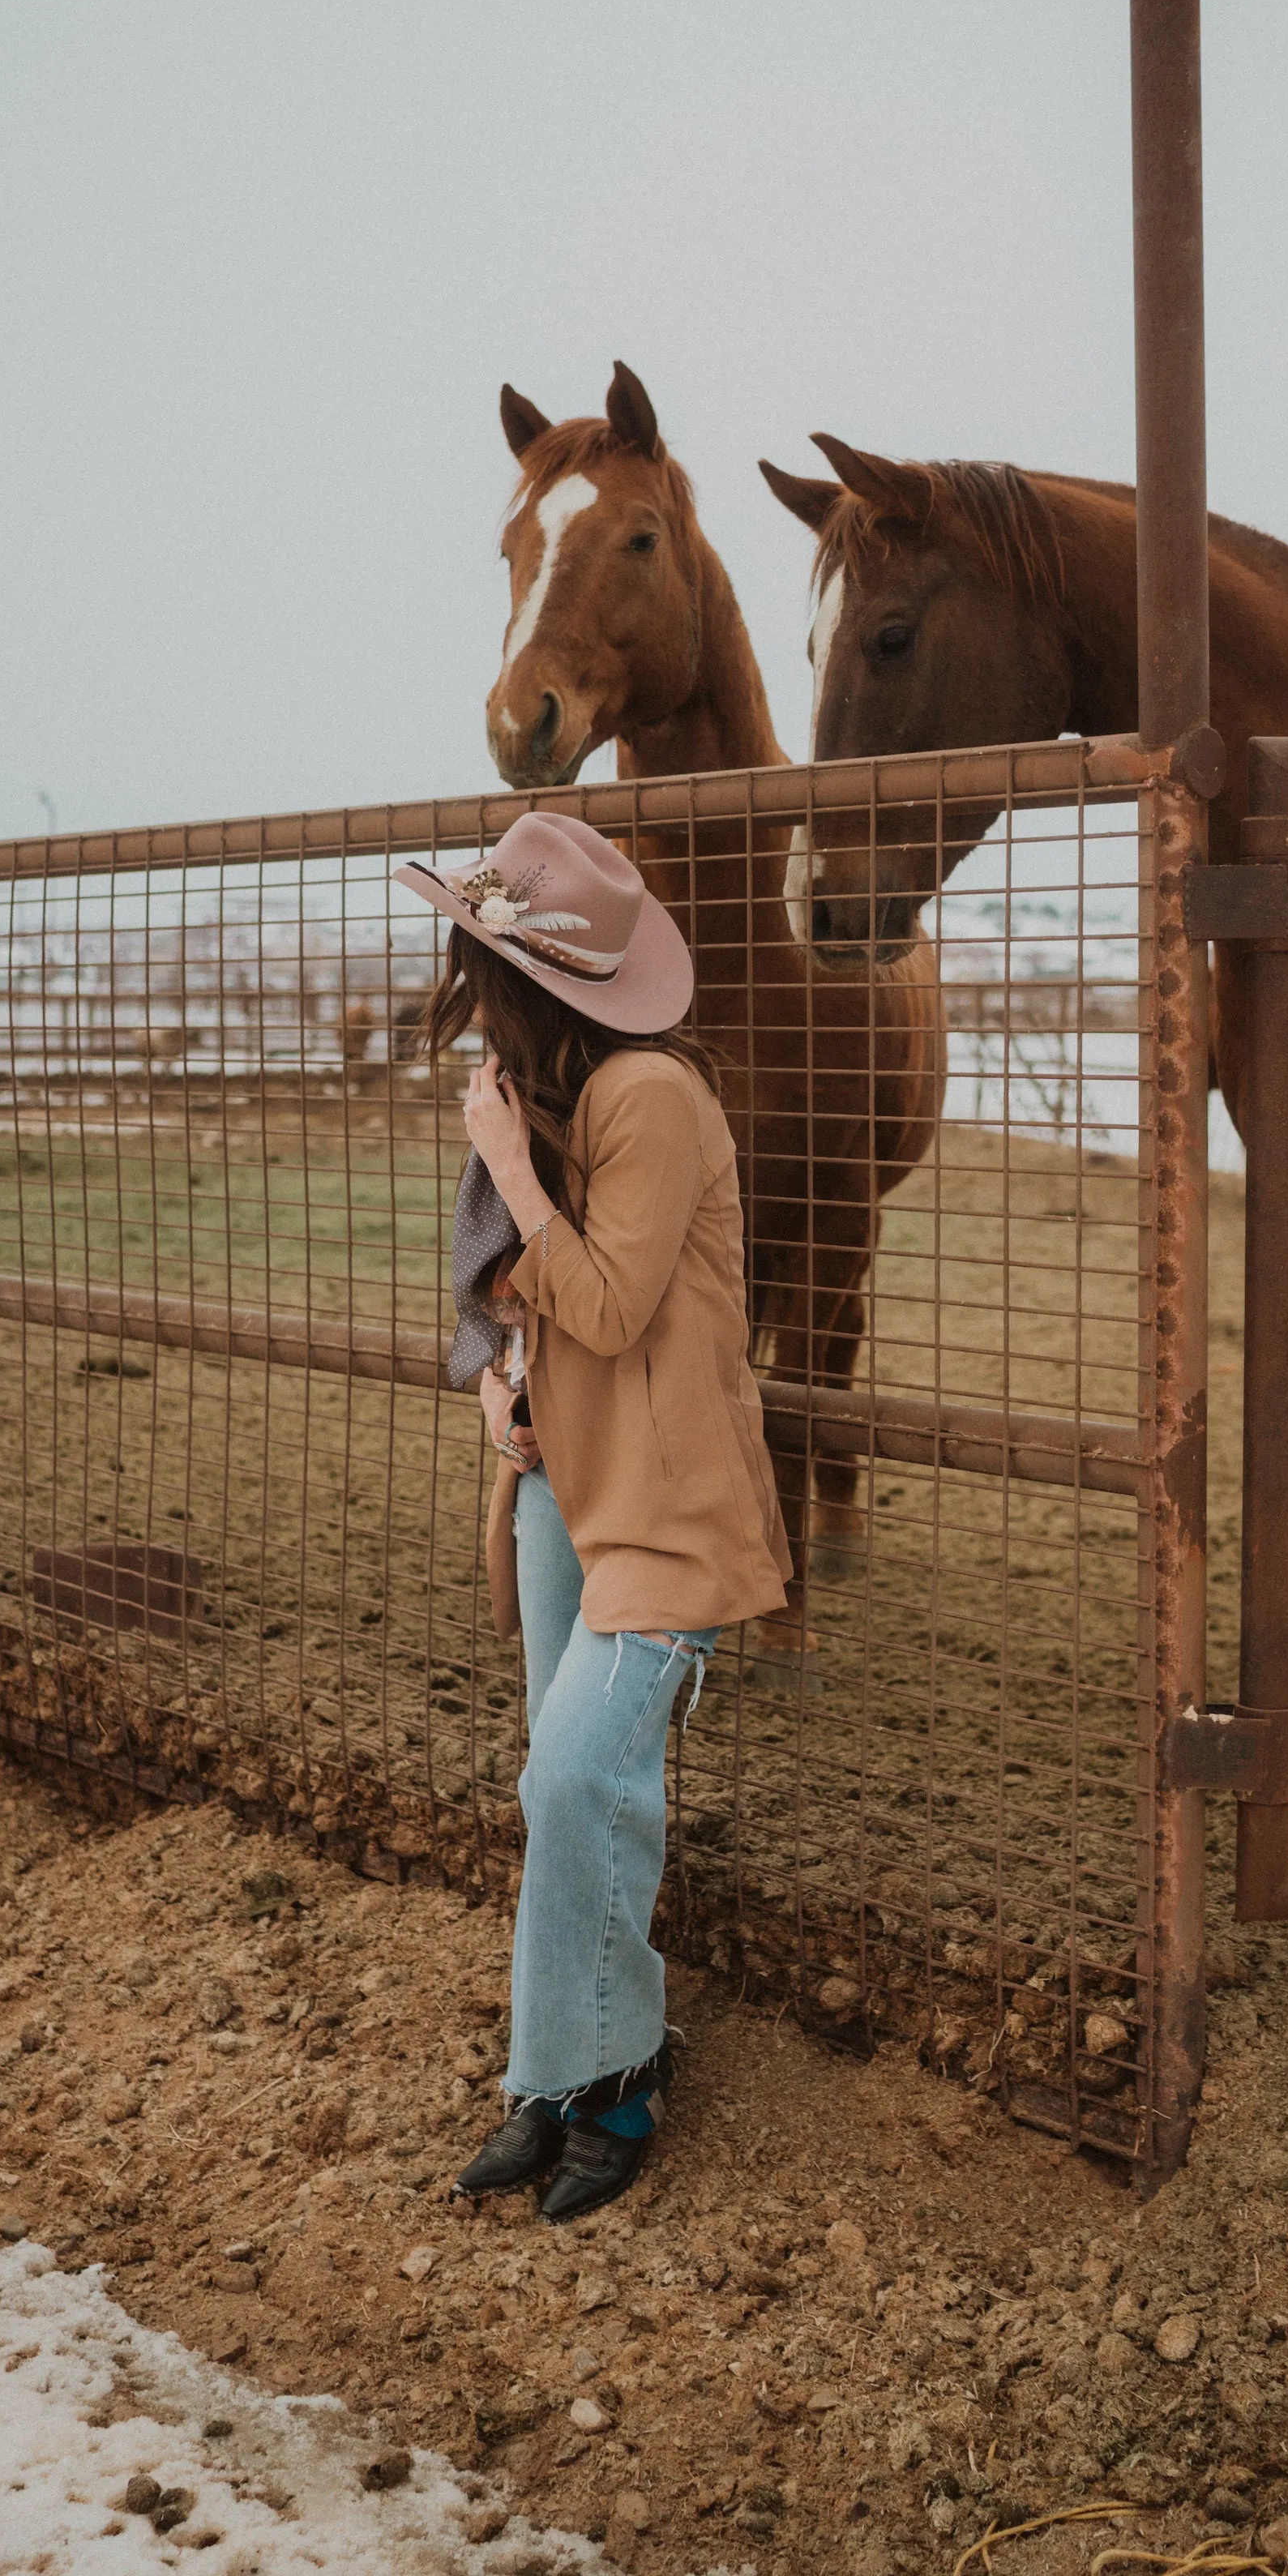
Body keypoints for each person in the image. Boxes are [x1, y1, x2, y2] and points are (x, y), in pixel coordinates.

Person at [396, 810, 790, 2223]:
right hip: (566, 1481)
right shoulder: (554, 1093)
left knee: (571, 1780)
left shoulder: (647, 1100)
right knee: (576, 1791)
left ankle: (616, 2076)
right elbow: (533, 1303)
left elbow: (615, 1302)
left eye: (480, 966)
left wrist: (504, 1159)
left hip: (668, 1509)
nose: (465, 996)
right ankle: (557, 2078)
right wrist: (502, 1388)